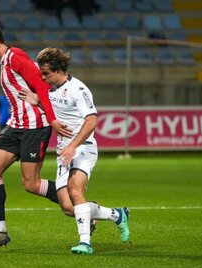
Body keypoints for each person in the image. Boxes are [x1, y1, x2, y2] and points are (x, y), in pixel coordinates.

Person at [18, 47, 130, 254]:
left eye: (46, 73)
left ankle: (85, 243)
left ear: (59, 69)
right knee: (68, 207)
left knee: (75, 189)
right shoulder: (49, 90)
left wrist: (73, 145)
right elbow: (56, 110)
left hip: (83, 149)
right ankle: (117, 215)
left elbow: (92, 119)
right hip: (64, 153)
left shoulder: (78, 89)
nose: (42, 78)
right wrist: (38, 102)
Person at [0, 21, 72, 249]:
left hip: (35, 126)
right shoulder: (5, 62)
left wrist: (52, 118)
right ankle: (0, 232)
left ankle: (78, 203)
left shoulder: (15, 56)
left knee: (31, 184)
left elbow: (41, 85)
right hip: (15, 125)